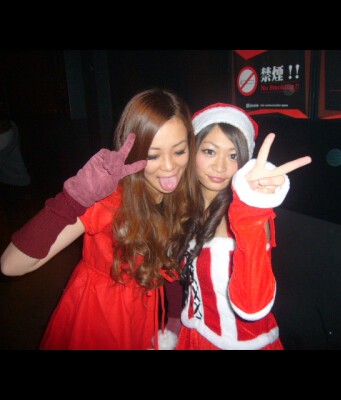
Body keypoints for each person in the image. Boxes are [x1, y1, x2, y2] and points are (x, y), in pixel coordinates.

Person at [0, 88, 202, 350]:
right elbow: (11, 265)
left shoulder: (180, 198)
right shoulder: (110, 201)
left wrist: (174, 319)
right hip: (98, 318)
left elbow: (171, 265)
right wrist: (74, 198)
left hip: (143, 318)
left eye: (179, 151)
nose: (169, 166)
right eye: (153, 155)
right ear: (133, 152)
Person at [169, 103, 312, 350]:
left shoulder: (247, 217)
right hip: (193, 336)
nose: (220, 166)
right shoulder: (185, 208)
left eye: (233, 156)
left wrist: (252, 212)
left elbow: (252, 305)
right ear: (192, 151)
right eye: (210, 151)